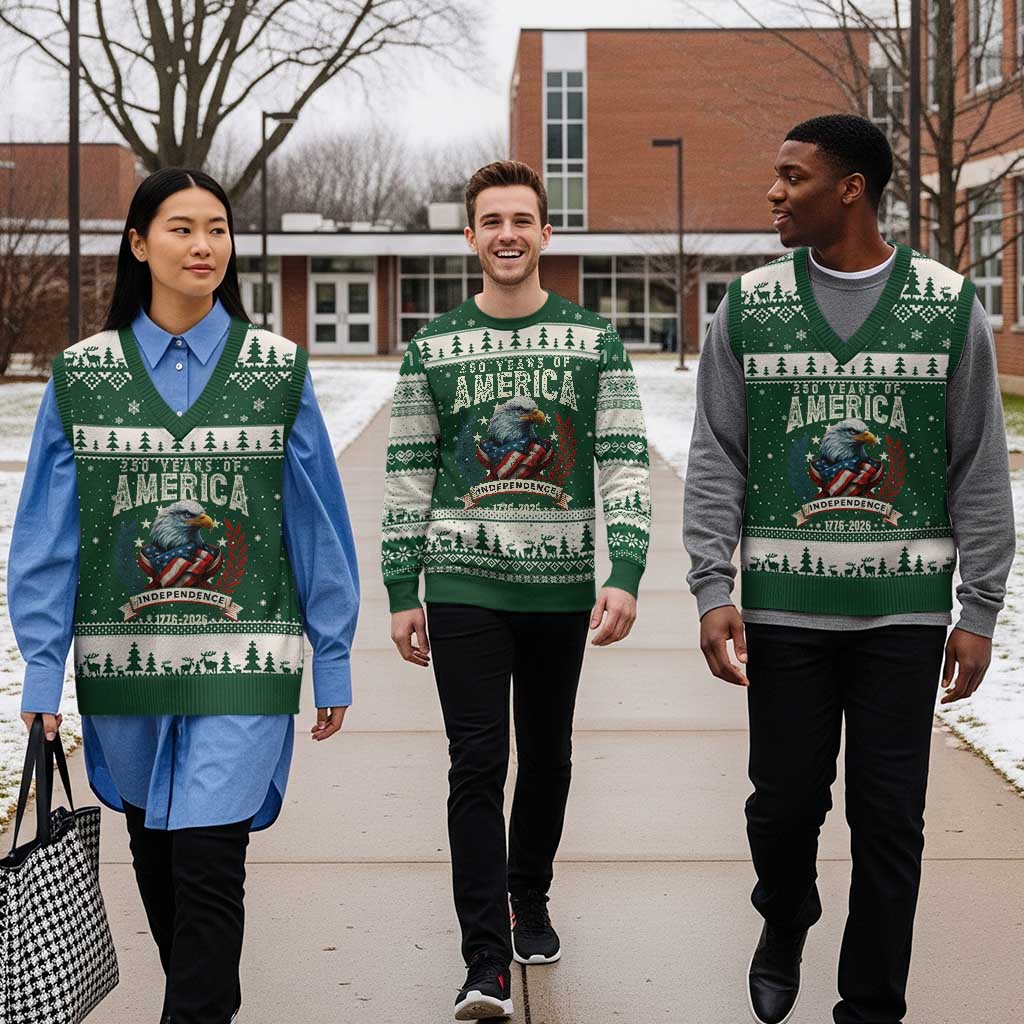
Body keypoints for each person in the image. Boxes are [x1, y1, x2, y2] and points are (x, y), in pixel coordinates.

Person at [684, 113, 1015, 1024]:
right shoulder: (749, 305)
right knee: (782, 810)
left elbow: (977, 463)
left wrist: (980, 608)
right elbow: (718, 453)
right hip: (786, 612)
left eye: (793, 176)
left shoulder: (947, 305)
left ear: (852, 189)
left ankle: (871, 1005)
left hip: (904, 616)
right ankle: (784, 914)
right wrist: (713, 586)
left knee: (889, 823)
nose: (774, 192)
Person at [12, 168, 359, 1024]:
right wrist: (40, 675)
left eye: (216, 229)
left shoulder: (276, 371)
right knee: (159, 862)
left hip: (243, 662)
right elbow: (47, 538)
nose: (203, 245)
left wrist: (334, 654)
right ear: (138, 244)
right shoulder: (81, 376)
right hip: (124, 667)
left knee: (210, 864)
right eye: (180, 228)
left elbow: (315, 522)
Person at [380, 160, 652, 1021]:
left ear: (545, 233)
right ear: (469, 236)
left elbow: (623, 459)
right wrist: (401, 586)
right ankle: (484, 960)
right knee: (476, 761)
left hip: (561, 587)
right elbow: (407, 474)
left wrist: (627, 569)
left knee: (548, 752)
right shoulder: (433, 348)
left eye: (522, 220)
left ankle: (526, 895)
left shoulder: (593, 341)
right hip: (463, 579)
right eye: (491, 220)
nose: (507, 234)